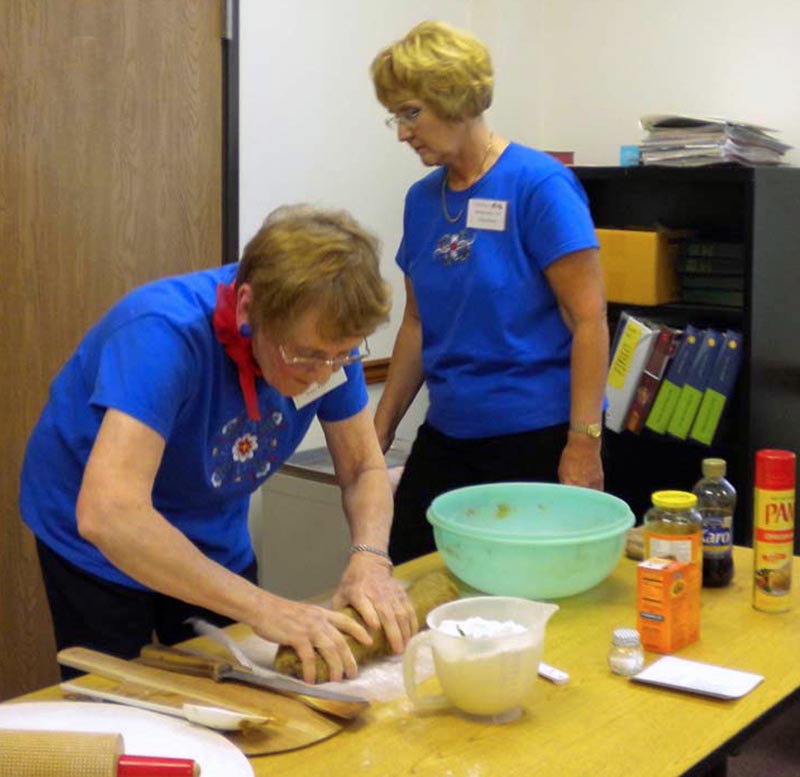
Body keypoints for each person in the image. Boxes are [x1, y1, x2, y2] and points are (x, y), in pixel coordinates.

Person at [20, 204, 417, 683]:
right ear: (248, 308)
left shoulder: (326, 344)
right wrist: (263, 606)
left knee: (237, 687)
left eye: (344, 355)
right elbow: (110, 515)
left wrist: (370, 559)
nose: (325, 373)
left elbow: (363, 471)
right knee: (120, 700)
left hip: (211, 528)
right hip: (97, 539)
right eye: (307, 356)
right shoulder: (162, 334)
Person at [370, 21, 609, 564]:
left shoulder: (539, 185)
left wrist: (584, 442)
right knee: (408, 573)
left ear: (453, 99)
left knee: (518, 599)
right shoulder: (422, 199)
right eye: (396, 116)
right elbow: (417, 324)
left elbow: (589, 321)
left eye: (411, 112)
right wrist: (377, 432)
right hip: (447, 434)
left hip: (535, 438)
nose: (403, 132)